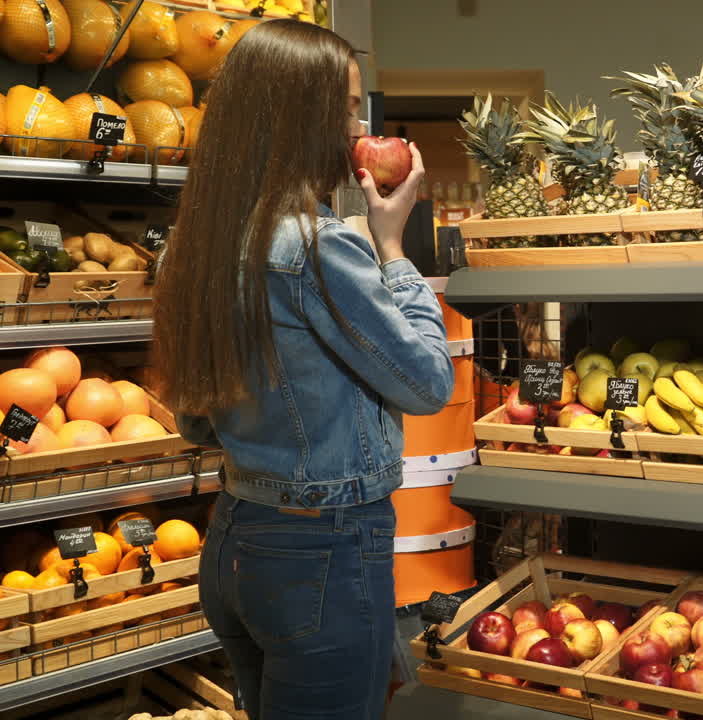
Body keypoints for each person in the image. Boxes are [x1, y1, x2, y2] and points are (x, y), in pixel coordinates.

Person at [151, 19, 453, 720]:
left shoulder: (188, 248)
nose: (356, 127)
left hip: (234, 542)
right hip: (324, 548)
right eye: (347, 107)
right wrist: (392, 248)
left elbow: (198, 419)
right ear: (301, 115)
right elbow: (428, 383)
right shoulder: (317, 248)